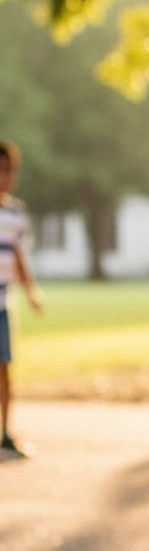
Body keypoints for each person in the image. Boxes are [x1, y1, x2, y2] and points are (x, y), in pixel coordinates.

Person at [0, 139, 44, 459]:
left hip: (2, 303)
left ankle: (4, 433)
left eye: (10, 171)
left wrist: (31, 292)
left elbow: (19, 256)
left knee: (4, 369)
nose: (6, 177)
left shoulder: (15, 213)